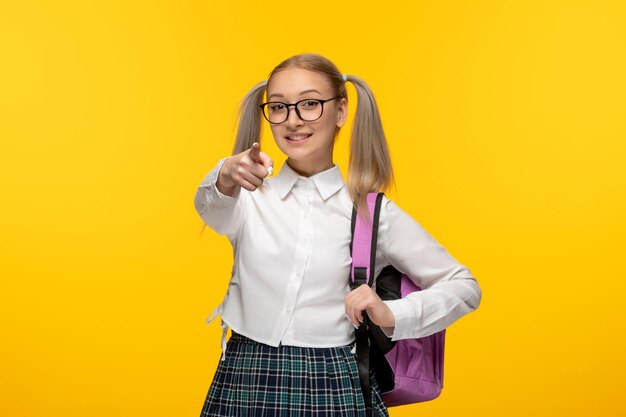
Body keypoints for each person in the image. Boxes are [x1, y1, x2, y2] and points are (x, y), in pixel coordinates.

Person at [194, 53, 482, 417]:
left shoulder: (370, 213)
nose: (293, 120)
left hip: (333, 381)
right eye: (279, 107)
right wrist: (224, 172)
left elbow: (464, 286)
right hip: (247, 375)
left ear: (341, 111)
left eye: (310, 103)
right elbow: (210, 206)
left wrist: (393, 313)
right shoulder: (247, 196)